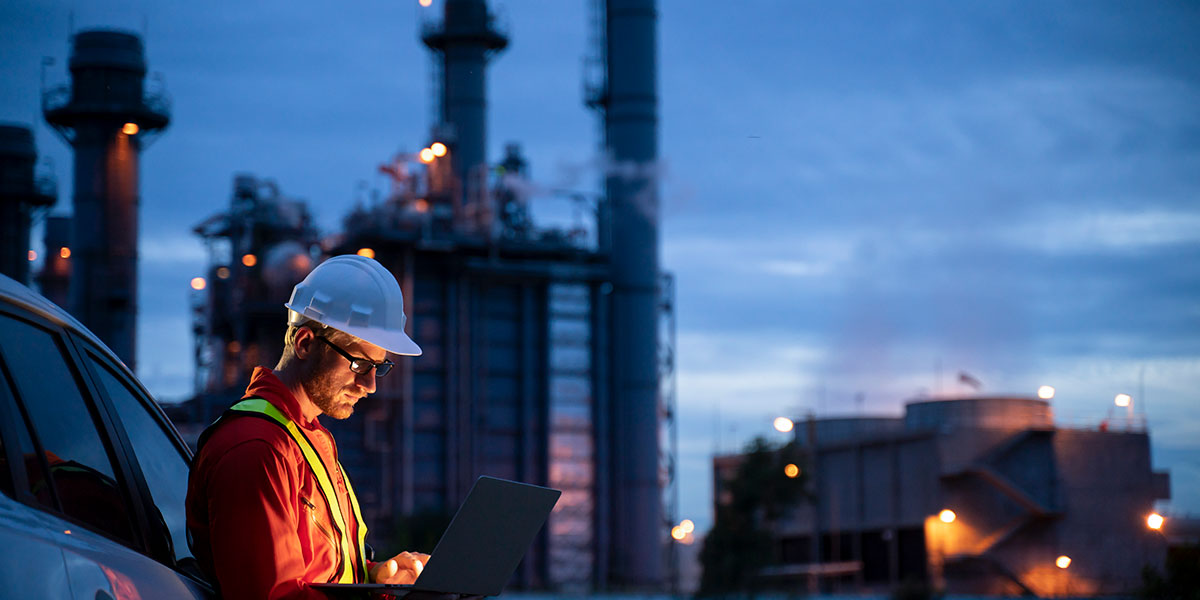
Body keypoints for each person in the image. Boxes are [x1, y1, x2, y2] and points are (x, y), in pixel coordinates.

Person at [186, 254, 427, 599]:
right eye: (359, 363)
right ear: (305, 343)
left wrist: (379, 580)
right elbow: (272, 596)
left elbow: (323, 575)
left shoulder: (307, 440)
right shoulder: (255, 450)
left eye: (379, 366)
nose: (371, 385)